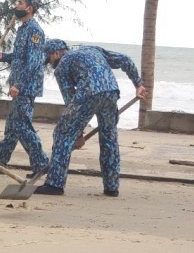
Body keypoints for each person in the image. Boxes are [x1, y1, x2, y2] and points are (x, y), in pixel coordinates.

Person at [34, 39, 148, 197]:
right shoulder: (92, 49)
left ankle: (55, 184)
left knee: (63, 133)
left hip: (88, 93)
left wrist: (77, 135)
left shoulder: (62, 66)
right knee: (109, 137)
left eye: (50, 58)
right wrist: (138, 84)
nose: (50, 63)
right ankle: (111, 187)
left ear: (56, 53)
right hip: (111, 92)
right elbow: (125, 60)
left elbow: (70, 100)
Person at [0, 0, 49, 178]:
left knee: (22, 126)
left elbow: (34, 62)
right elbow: (20, 58)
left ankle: (41, 163)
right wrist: (2, 56)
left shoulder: (35, 30)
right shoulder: (23, 29)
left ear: (29, 8)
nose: (16, 6)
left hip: (25, 87)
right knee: (12, 126)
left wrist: (19, 84)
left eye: (19, 3)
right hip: (19, 85)